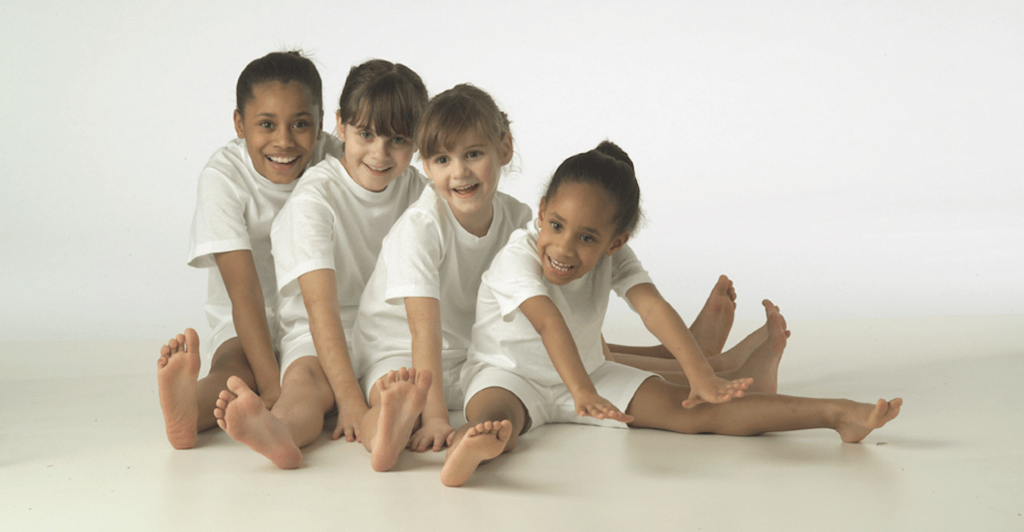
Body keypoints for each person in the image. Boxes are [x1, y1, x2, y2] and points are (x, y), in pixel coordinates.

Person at [441, 141, 903, 487]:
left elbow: (653, 307)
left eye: (586, 238)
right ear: (541, 212)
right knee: (497, 413)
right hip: (509, 374)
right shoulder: (516, 258)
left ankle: (837, 414)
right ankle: (475, 447)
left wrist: (700, 376)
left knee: (697, 414)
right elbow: (548, 322)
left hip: (590, 376)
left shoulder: (614, 258)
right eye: (557, 225)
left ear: (615, 242)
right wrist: (580, 390)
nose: (563, 247)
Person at [212, 59, 429, 469]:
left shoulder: (418, 192)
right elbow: (320, 308)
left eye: (398, 140)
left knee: (392, 386)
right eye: (366, 134)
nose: (380, 154)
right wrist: (347, 399)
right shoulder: (314, 197)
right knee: (305, 387)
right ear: (341, 125)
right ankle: (279, 431)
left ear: (417, 142)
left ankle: (383, 432)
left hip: (385, 331)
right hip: (318, 330)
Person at [157, 51, 339, 450]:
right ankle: (191, 408)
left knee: (305, 381)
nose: (284, 141)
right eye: (266, 125)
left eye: (301, 124)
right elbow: (245, 292)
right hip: (245, 315)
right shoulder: (223, 176)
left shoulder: (337, 159)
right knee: (235, 370)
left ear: (322, 122)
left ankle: (279, 429)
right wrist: (270, 387)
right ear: (239, 124)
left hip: (315, 316)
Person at [351, 84, 532, 471]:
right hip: (397, 350)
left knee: (500, 401)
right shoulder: (421, 227)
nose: (459, 172)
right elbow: (424, 331)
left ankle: (473, 443)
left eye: (473, 154)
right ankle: (383, 435)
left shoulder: (518, 219)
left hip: (470, 355)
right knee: (394, 397)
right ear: (426, 166)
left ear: (505, 148)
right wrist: (434, 418)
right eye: (443, 160)